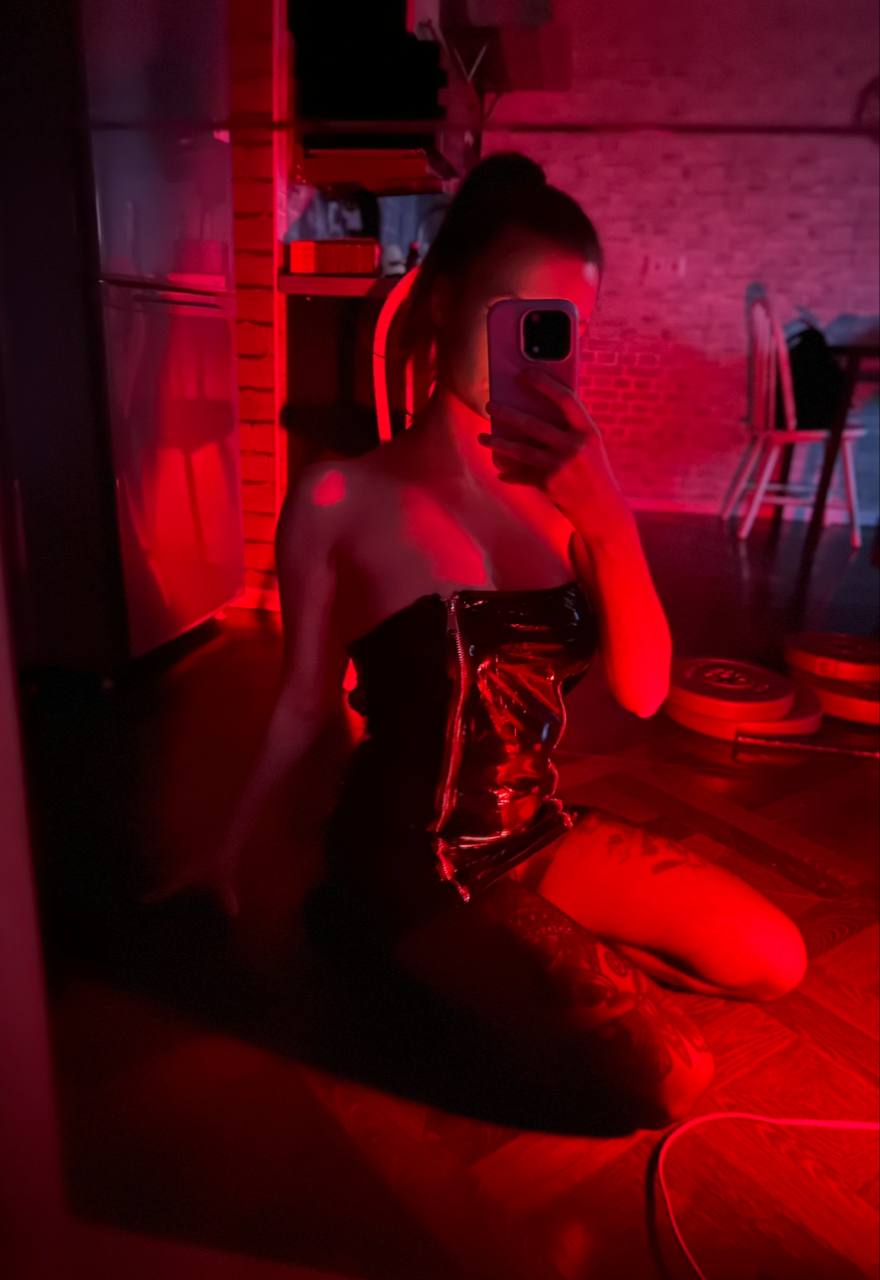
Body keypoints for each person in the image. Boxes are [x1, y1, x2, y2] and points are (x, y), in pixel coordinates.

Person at [149, 153, 808, 1130]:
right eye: (514, 311)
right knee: (670, 1076)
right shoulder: (342, 494)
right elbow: (302, 696)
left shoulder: (569, 499)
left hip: (533, 828)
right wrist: (229, 849)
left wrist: (609, 520)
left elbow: (641, 692)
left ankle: (517, 956)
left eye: (562, 324)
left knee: (775, 958)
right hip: (407, 856)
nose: (536, 344)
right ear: (443, 299)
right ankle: (386, 937)